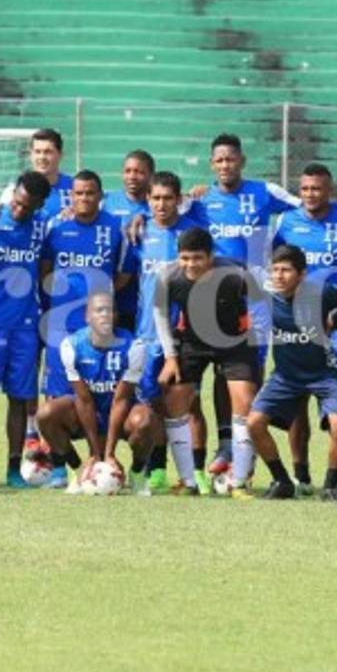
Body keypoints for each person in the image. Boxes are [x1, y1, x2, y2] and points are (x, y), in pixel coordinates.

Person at [185, 133, 297, 478]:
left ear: (242, 161)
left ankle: (247, 447)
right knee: (222, 371)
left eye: (230, 159)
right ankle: (226, 445)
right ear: (211, 164)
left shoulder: (264, 192)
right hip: (215, 301)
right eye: (218, 160)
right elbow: (163, 212)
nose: (224, 166)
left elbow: (308, 206)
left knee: (250, 375)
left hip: (257, 300)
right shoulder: (200, 202)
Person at [269, 163, 337, 497]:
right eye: (305, 189)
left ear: (329, 190)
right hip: (295, 319)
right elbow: (276, 262)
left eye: (317, 189)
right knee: (296, 402)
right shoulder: (287, 222)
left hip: (335, 325)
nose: (310, 195)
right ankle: (301, 474)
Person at [153, 227, 258, 497]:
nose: (190, 264)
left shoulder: (235, 273)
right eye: (185, 258)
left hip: (235, 343)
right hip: (192, 343)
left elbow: (263, 300)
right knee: (174, 401)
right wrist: (170, 358)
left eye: (197, 258)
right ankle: (188, 481)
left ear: (211, 256)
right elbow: (161, 316)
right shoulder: (168, 276)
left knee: (244, 403)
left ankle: (239, 482)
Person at [39, 169, 127, 487]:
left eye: (90, 193)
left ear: (100, 196)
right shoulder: (56, 226)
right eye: (78, 193)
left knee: (100, 396)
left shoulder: (116, 228)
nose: (84, 198)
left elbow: (123, 274)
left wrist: (99, 305)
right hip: (61, 326)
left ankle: (104, 460)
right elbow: (45, 271)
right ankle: (65, 466)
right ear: (71, 196)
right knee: (55, 402)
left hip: (100, 330)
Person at [119, 171, 201, 493]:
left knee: (182, 404)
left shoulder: (192, 235)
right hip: (146, 334)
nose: (162, 204)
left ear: (179, 200)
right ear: (147, 200)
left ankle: (191, 475)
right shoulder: (138, 234)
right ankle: (152, 470)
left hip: (185, 336)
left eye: (168, 198)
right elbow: (126, 280)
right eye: (155, 198)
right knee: (148, 405)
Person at [0, 170, 49, 487]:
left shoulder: (43, 228)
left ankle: (15, 468)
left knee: (19, 397)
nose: (19, 210)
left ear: (39, 205)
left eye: (27, 207)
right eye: (17, 203)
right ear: (12, 193)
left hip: (25, 325)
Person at [247, 246, 337, 500]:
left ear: (302, 274)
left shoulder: (321, 293)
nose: (279, 276)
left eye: (286, 270)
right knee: (254, 423)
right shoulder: (267, 294)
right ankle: (282, 481)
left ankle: (331, 486)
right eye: (275, 270)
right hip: (285, 375)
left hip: (325, 374)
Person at [37, 292, 149, 494]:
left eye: (110, 310)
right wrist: (95, 455)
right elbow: (84, 399)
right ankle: (79, 469)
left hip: (120, 414)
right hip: (86, 413)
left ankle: (138, 474)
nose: (105, 314)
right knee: (46, 414)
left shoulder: (134, 346)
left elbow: (121, 399)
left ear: (116, 316)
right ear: (87, 316)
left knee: (146, 420)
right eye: (99, 310)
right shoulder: (71, 346)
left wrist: (109, 454)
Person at [103, 149, 154, 332]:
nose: (132, 176)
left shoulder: (158, 204)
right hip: (114, 297)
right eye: (128, 171)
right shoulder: (106, 202)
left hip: (146, 296)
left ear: (150, 176)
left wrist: (146, 216)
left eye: (139, 172)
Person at [0, 127, 72, 223]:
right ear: (31, 155)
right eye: (37, 152)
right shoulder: (14, 190)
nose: (42, 157)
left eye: (48, 152)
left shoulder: (76, 189)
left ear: (60, 155)